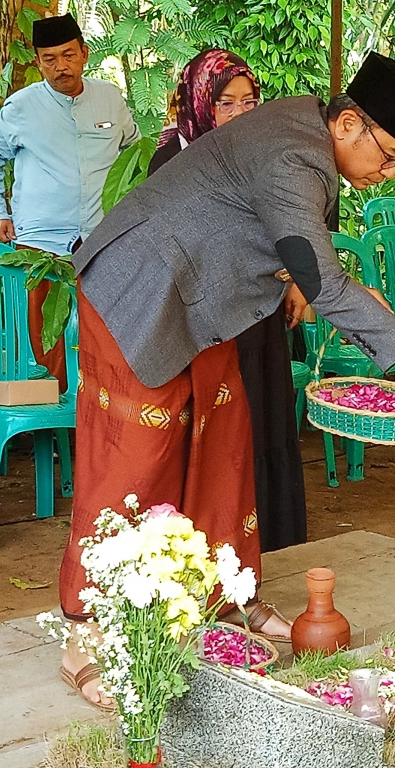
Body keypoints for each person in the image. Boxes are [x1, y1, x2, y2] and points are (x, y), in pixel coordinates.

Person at [57, 52, 395, 708]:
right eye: (392, 156)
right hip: (138, 292)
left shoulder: (307, 135)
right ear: (348, 125)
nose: (388, 174)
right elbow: (324, 281)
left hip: (200, 300)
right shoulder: (295, 155)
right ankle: (87, 633)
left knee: (225, 444)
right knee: (134, 462)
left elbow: (307, 265)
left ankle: (224, 597)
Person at [149, 49, 308, 554]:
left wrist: (296, 280)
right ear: (199, 103)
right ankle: (213, 548)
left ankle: (272, 543)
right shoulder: (171, 159)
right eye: (226, 103)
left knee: (265, 421)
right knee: (220, 431)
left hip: (261, 314)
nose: (241, 114)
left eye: (250, 101)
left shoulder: (264, 156)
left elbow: (291, 226)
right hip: (206, 321)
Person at [0, 15, 141, 389]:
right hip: (42, 245)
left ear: (84, 53)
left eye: (68, 55)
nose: (60, 67)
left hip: (102, 240)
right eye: (49, 59)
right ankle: (54, 433)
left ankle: (100, 426)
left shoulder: (109, 98)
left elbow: (135, 149)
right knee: (45, 340)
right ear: (38, 62)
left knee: (107, 334)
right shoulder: (22, 106)